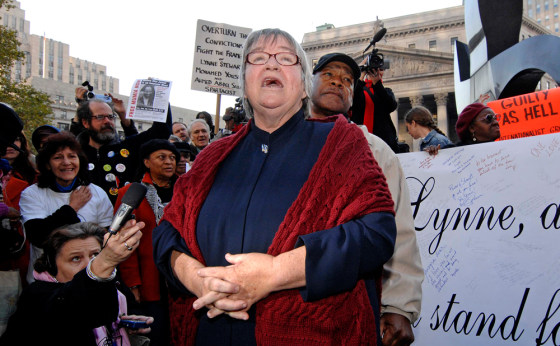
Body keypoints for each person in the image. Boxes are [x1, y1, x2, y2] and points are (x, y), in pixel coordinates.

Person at [153, 28, 396, 345]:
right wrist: (195, 278)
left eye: (285, 58)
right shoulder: (212, 156)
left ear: (305, 86)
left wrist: (275, 273)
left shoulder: (342, 143)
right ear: (244, 82)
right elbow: (166, 232)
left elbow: (377, 233)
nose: (271, 64)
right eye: (258, 58)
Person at [310, 52, 423, 346]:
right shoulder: (282, 141)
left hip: (353, 302)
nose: (338, 83)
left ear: (352, 96)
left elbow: (399, 228)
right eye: (328, 75)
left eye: (348, 80)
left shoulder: (376, 150)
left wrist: (400, 304)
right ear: (306, 84)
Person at [0, 221, 154, 345]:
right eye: (76, 258)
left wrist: (128, 321)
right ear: (52, 266)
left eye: (95, 255)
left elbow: (118, 306)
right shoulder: (37, 296)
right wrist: (104, 262)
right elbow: (72, 307)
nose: (88, 264)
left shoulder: (114, 284)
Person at [19, 132, 113, 283]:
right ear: (47, 165)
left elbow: (106, 236)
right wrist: (71, 208)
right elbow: (37, 235)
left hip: (90, 278)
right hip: (47, 281)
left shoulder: (96, 192)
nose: (66, 162)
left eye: (72, 156)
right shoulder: (32, 194)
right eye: (58, 157)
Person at [115, 139, 179, 346]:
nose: (169, 162)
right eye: (162, 157)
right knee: (157, 336)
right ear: (146, 162)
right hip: (149, 278)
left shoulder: (186, 190)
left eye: (172, 157)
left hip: (182, 276)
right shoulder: (131, 193)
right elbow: (124, 240)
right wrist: (133, 283)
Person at [76, 98, 171, 204]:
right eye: (100, 117)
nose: (107, 121)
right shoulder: (75, 154)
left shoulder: (127, 148)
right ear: (85, 122)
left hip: (125, 218)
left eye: (111, 117)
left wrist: (158, 93)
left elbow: (161, 131)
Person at [351, 61, 401, 153]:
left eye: (381, 69)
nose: (378, 72)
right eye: (375, 69)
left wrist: (377, 84)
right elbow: (351, 101)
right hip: (360, 142)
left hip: (382, 144)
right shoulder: (359, 90)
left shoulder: (386, 91)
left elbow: (391, 106)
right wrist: (361, 74)